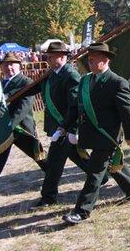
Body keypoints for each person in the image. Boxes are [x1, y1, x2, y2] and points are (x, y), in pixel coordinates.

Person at [61, 42, 130, 224]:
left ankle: (81, 211)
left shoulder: (116, 82)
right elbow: (75, 107)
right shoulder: (85, 80)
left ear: (105, 60)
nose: (89, 62)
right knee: (111, 165)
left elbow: (127, 111)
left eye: (93, 59)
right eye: (88, 59)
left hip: (107, 135)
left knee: (94, 173)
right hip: (90, 133)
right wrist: (65, 125)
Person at [28, 41, 93, 209]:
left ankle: (48, 197)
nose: (47, 58)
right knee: (77, 156)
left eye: (52, 55)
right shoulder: (50, 75)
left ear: (62, 57)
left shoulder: (70, 75)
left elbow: (76, 105)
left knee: (54, 164)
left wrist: (72, 129)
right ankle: (102, 176)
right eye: (48, 55)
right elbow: (33, 89)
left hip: (65, 128)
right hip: (57, 127)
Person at [0, 53, 47, 184]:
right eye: (5, 65)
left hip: (21, 128)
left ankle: (53, 175)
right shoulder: (2, 84)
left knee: (39, 157)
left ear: (19, 66)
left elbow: (23, 108)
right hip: (5, 131)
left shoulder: (26, 82)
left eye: (12, 64)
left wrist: (9, 126)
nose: (9, 68)